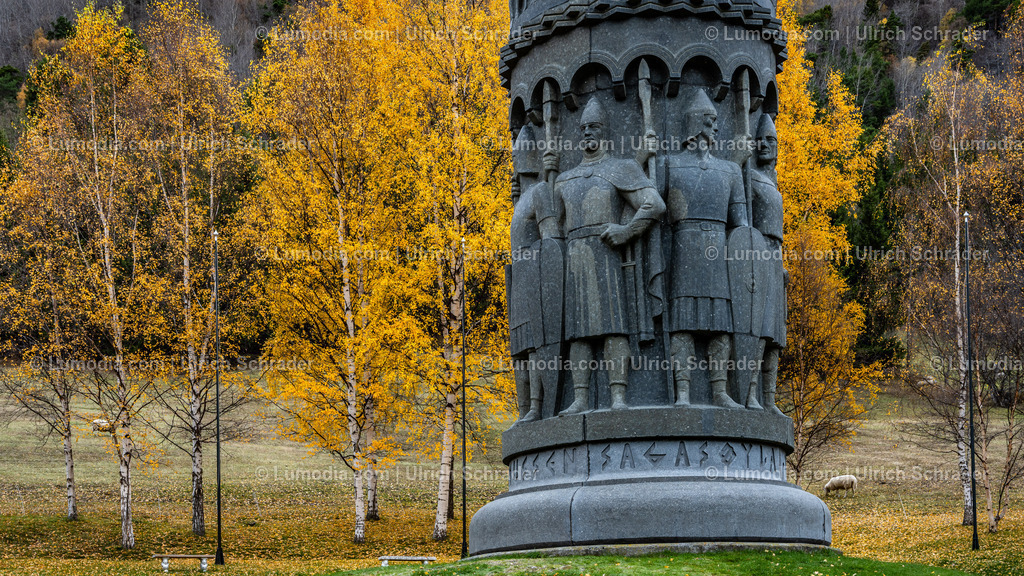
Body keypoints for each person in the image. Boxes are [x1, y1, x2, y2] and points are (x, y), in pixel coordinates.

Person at [553, 98, 665, 413]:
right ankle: (580, 398)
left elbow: (654, 204)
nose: (588, 133)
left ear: (605, 131)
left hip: (607, 255)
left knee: (613, 327)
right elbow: (553, 229)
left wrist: (627, 230)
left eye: (594, 127)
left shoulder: (620, 168)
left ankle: (618, 396)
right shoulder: (564, 179)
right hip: (575, 258)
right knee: (578, 332)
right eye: (584, 128)